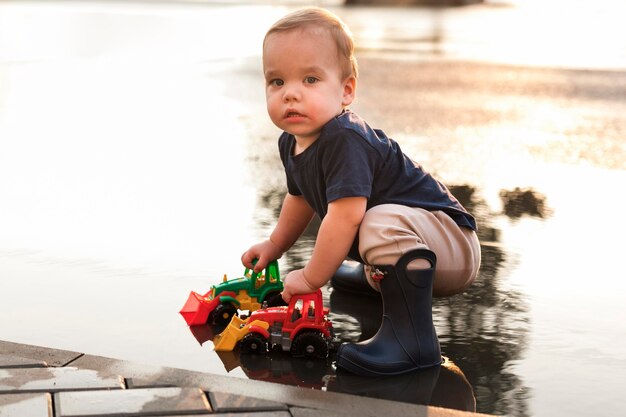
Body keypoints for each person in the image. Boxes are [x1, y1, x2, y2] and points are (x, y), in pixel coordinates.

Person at [241, 7, 481, 376]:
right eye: (277, 82)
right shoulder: (292, 142)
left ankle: (412, 341)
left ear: (346, 90)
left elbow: (345, 216)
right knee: (374, 225)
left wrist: (310, 277)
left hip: (451, 244)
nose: (290, 95)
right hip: (419, 242)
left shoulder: (345, 138)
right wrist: (275, 246)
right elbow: (299, 197)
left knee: (373, 219)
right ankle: (379, 280)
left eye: (309, 80)